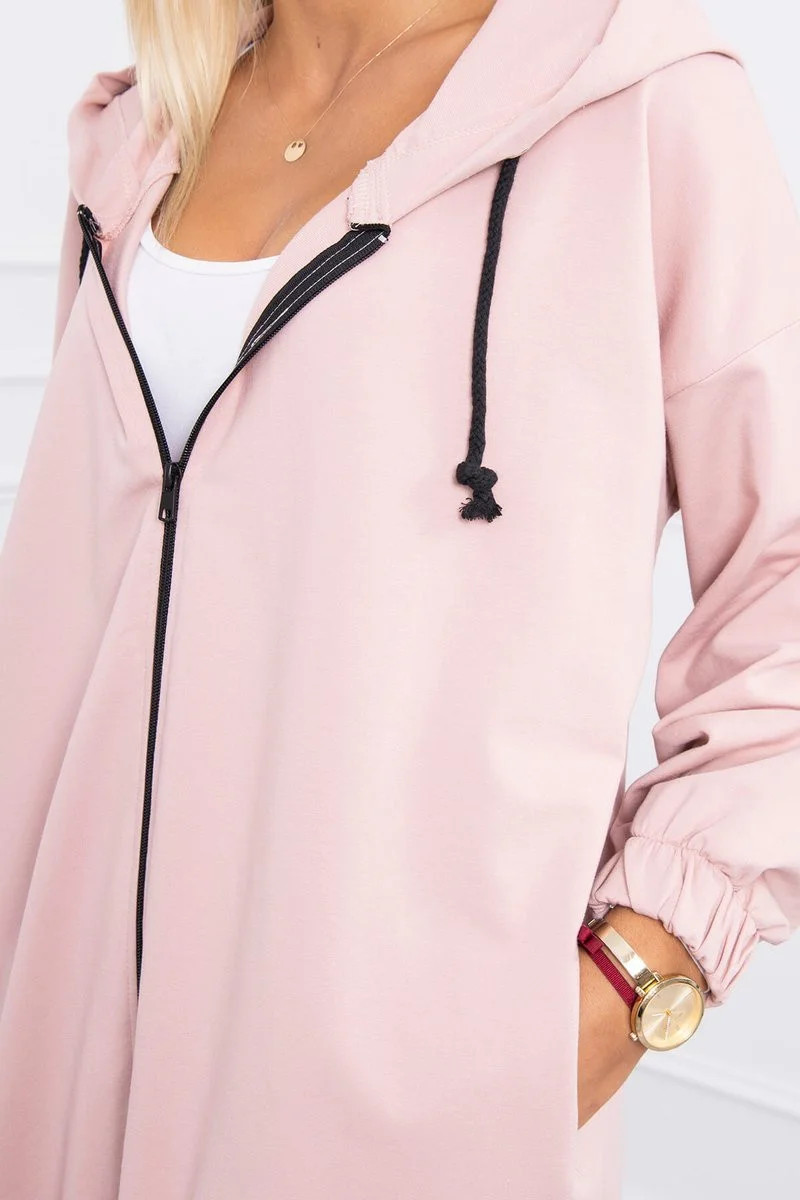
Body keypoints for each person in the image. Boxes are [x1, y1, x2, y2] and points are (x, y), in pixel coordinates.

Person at [2, 0, 800, 1195]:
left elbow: (779, 586)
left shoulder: (645, 109)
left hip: (409, 1103)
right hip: (52, 1056)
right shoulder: (144, 136)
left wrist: (634, 978)